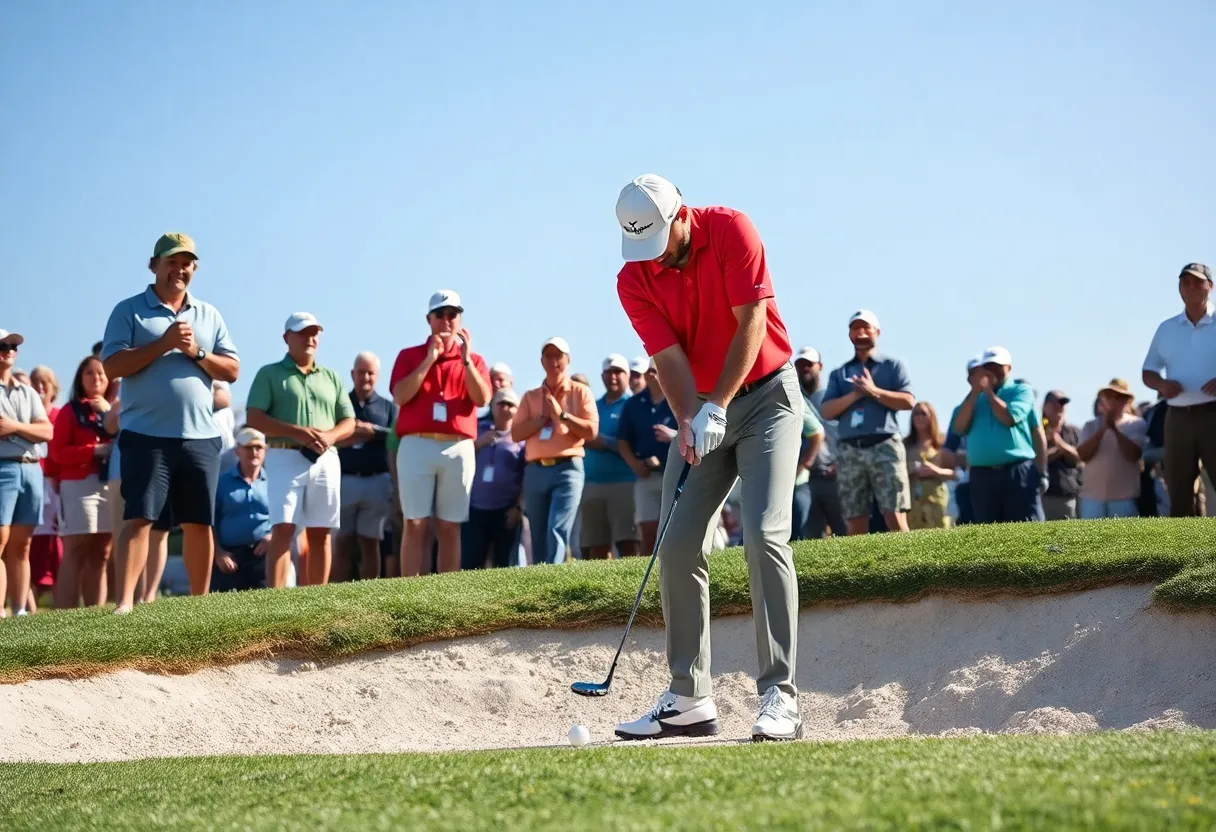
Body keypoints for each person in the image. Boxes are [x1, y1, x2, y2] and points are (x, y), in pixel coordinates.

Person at [612, 174, 803, 743]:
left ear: (679, 215)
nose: (657, 256)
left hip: (768, 396)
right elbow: (668, 359)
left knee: (765, 535)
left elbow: (753, 324)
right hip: (701, 408)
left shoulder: (731, 230)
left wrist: (717, 405)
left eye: (661, 240)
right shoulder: (632, 278)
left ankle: (780, 696)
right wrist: (690, 420)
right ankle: (689, 696)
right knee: (676, 543)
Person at [101, 233, 240, 613]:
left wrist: (195, 351)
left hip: (201, 437)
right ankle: (125, 604)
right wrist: (163, 344)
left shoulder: (209, 314)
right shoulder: (128, 310)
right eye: (171, 262)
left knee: (199, 522)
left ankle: (199, 605)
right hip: (146, 435)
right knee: (140, 518)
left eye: (187, 263)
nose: (180, 269)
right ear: (153, 265)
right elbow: (111, 366)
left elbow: (232, 368)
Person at [246, 312, 355, 588]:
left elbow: (349, 421)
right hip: (284, 456)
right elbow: (254, 418)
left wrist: (329, 437)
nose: (310, 338)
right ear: (287, 338)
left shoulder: (331, 376)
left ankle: (317, 597)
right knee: (283, 528)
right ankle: (278, 599)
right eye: (303, 333)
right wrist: (298, 432)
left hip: (326, 458)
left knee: (320, 530)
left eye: (314, 333)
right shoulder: (269, 373)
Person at [389, 290, 491, 575]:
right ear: (429, 319)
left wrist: (466, 360)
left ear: (460, 320)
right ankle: (410, 589)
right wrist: (429, 360)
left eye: (453, 315)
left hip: (457, 446)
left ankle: (445, 591)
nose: (447, 321)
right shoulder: (410, 356)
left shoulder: (475, 360)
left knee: (449, 524)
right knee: (415, 522)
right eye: (440, 315)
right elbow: (400, 395)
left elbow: (482, 399)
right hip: (417, 444)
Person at [819, 310, 915, 536]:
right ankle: (861, 569)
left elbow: (908, 401)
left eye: (866, 328)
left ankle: (909, 564)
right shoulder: (840, 372)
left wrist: (874, 392)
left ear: (877, 332)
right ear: (849, 334)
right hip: (851, 449)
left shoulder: (893, 366)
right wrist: (855, 395)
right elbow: (827, 410)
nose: (861, 333)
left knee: (894, 515)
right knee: (855, 518)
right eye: (855, 328)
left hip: (885, 446)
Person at [512, 337, 597, 565]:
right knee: (538, 530)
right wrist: (541, 421)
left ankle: (554, 571)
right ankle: (541, 575)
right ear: (541, 361)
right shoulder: (531, 396)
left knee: (557, 526)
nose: (554, 361)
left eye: (558, 356)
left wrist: (562, 416)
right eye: (548, 356)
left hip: (568, 468)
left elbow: (591, 431)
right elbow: (516, 433)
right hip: (536, 470)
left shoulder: (580, 393)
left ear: (568, 360)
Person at [1141, 262, 1216, 517]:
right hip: (1178, 418)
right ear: (1179, 288)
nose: (1191, 286)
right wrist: (1162, 384)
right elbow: (1148, 371)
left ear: (1210, 287)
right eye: (1185, 282)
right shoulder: (1167, 328)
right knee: (1179, 489)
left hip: (1213, 415)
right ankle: (1184, 554)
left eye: (1198, 281)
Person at [49, 356, 116, 607]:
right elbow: (58, 452)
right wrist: (93, 451)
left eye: (101, 373)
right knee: (76, 548)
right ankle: (65, 614)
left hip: (109, 484)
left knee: (102, 553)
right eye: (89, 373)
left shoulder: (117, 408)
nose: (96, 378)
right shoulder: (70, 410)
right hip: (79, 485)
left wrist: (108, 413)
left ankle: (94, 615)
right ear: (80, 378)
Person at [949, 347, 1043, 523]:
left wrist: (989, 393)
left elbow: (1009, 418)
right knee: (988, 530)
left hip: (1017, 471)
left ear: (1009, 367)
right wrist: (976, 392)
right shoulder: (973, 398)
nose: (992, 371)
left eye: (997, 366)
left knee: (1024, 528)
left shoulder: (1020, 391)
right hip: (981, 475)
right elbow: (959, 428)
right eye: (988, 366)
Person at [0, 329, 53, 617]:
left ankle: (19, 611)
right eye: (3, 345)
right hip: (3, 468)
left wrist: (15, 428)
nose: (9, 349)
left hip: (31, 469)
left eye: (12, 346)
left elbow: (48, 431)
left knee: (22, 545)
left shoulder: (28, 391)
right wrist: (30, 432)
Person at [335, 352, 397, 581]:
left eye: (370, 373)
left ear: (377, 375)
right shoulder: (341, 403)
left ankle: (369, 592)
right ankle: (337, 594)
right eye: (361, 372)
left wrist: (373, 432)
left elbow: (396, 436)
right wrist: (351, 433)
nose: (366, 377)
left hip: (377, 481)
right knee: (342, 541)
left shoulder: (387, 407)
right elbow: (332, 434)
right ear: (353, 374)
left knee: (371, 542)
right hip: (346, 479)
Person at [579, 354, 640, 559]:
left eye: (618, 372)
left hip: (625, 482)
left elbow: (638, 445)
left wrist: (604, 442)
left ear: (627, 375)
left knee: (628, 544)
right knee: (595, 547)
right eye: (608, 372)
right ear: (602, 376)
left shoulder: (634, 405)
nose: (613, 377)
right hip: (592, 483)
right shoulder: (593, 406)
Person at [617, 358, 677, 556]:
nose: (652, 375)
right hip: (646, 477)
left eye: (656, 370)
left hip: (676, 475)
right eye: (649, 371)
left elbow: (691, 430)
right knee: (648, 531)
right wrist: (635, 464)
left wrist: (672, 436)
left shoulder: (679, 398)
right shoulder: (633, 404)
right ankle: (649, 579)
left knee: (675, 530)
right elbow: (623, 441)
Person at [463, 388, 526, 569]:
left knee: (504, 564)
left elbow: (525, 475)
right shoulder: (478, 429)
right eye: (501, 403)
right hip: (475, 507)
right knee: (470, 564)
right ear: (493, 407)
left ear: (517, 409)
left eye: (510, 404)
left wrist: (517, 507)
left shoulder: (522, 438)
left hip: (506, 510)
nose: (505, 408)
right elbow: (459, 454)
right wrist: (478, 443)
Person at [793, 347, 847, 539]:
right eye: (800, 365)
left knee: (844, 532)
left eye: (809, 364)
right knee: (809, 536)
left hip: (834, 475)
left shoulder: (831, 398)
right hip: (804, 480)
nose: (804, 369)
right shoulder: (792, 397)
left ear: (820, 366)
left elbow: (847, 434)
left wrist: (841, 463)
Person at [211, 428, 272, 592]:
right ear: (238, 450)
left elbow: (285, 516)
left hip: (263, 555)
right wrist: (218, 553)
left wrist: (271, 537)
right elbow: (210, 522)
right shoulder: (221, 482)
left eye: (258, 447)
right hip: (229, 558)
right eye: (248, 447)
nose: (254, 452)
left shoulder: (274, 482)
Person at [1076, 379, 1147, 519]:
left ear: (1127, 401)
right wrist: (1103, 429)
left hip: (1124, 498)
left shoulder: (1136, 424)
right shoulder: (1090, 426)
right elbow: (1083, 455)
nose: (1113, 401)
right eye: (1109, 396)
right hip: (1092, 498)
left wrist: (1114, 429)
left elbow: (1133, 455)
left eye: (1119, 397)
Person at [27, 366, 62, 608]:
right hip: (32, 485)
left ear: (53, 387)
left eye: (45, 382)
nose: (40, 386)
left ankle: (61, 606)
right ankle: (29, 606)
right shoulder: (26, 418)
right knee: (31, 548)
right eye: (35, 382)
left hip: (58, 488)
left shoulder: (60, 415)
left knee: (59, 549)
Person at [904, 402, 954, 530]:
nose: (919, 417)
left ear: (931, 417)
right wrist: (910, 470)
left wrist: (936, 471)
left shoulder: (941, 442)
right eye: (916, 414)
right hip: (912, 500)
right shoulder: (905, 445)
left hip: (936, 499)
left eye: (923, 414)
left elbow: (956, 473)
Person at [791, 382, 826, 541]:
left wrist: (804, 465)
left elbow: (816, 432)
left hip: (797, 483)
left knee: (799, 535)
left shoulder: (790, 392)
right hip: (761, 485)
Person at [1041, 390, 1081, 520]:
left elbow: (1079, 458)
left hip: (1067, 494)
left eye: (1063, 404)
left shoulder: (1072, 431)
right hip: (1043, 496)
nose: (1060, 408)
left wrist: (1060, 444)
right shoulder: (1037, 430)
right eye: (1056, 403)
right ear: (1045, 406)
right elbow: (1036, 459)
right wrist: (1057, 452)